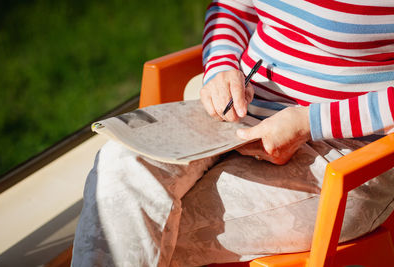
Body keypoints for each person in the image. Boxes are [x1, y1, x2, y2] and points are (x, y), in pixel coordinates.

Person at [72, 1, 394, 266]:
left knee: (123, 227)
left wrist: (310, 122)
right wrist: (221, 65)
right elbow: (233, 7)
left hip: (347, 154)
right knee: (119, 167)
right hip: (238, 118)